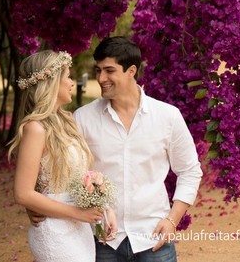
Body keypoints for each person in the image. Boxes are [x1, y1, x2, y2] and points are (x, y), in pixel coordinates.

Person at [73, 36, 203, 262]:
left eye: (109, 70)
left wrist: (172, 220)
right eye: (99, 70)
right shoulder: (83, 118)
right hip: (103, 241)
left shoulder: (167, 116)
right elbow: (72, 174)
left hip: (153, 238)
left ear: (131, 71)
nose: (101, 78)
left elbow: (190, 170)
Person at [10, 49, 117, 262]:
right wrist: (78, 213)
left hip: (79, 227)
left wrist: (104, 208)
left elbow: (79, 175)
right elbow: (23, 193)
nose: (71, 82)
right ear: (51, 83)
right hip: (54, 231)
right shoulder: (35, 128)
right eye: (68, 76)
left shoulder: (67, 121)